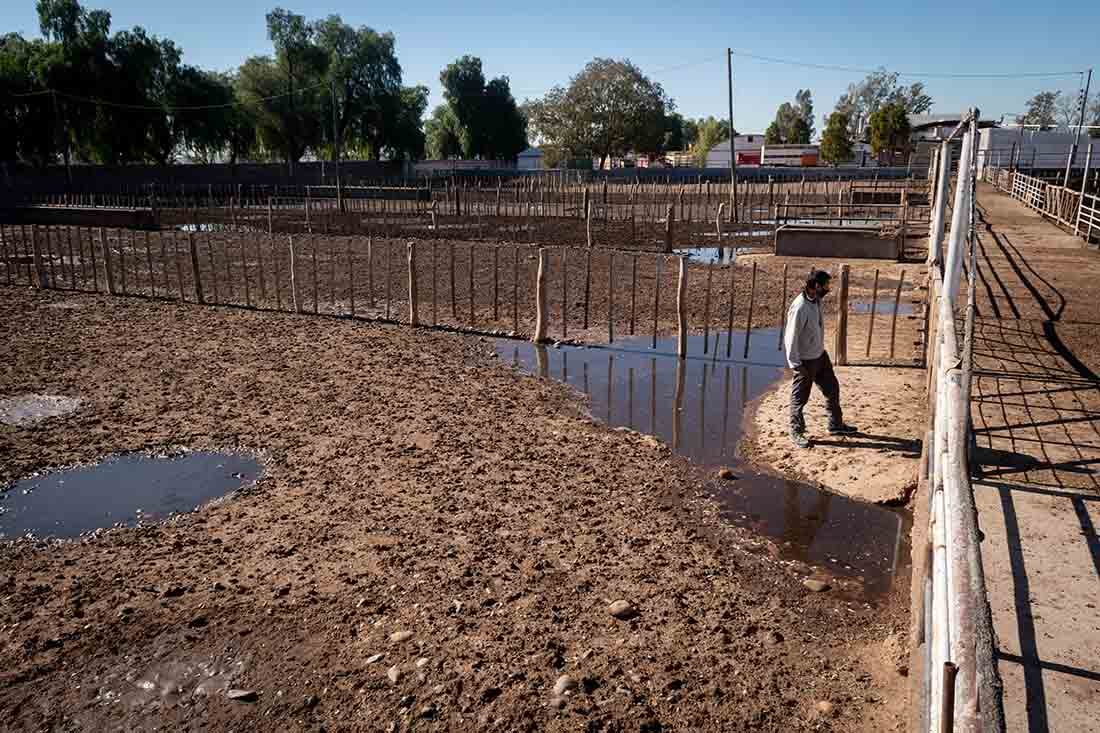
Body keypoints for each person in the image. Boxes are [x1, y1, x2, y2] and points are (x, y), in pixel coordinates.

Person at [783, 269, 857, 448]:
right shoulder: (799, 307)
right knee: (799, 399)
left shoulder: (816, 301)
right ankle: (796, 432)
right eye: (825, 285)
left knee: (832, 389)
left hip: (820, 356)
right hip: (805, 362)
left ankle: (835, 425)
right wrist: (795, 364)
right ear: (816, 286)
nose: (828, 289)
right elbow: (790, 337)